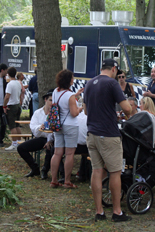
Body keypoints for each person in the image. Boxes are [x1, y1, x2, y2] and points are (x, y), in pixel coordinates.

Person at [84, 59, 132, 223]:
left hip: (91, 133)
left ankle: (99, 211)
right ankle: (117, 212)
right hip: (108, 134)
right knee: (115, 172)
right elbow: (126, 108)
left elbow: (85, 110)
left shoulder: (90, 83)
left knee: (97, 170)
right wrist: (127, 113)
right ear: (113, 69)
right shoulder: (112, 84)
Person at [50, 70, 84, 189]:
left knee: (57, 153)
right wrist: (80, 109)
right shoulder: (70, 96)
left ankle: (54, 180)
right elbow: (74, 113)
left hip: (58, 125)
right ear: (69, 80)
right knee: (69, 153)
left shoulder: (55, 91)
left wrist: (76, 94)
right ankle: (67, 181)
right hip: (70, 125)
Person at [17, 90, 54, 179]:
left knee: (50, 148)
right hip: (41, 138)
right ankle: (35, 168)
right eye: (50, 100)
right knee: (21, 148)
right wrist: (39, 127)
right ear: (45, 100)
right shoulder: (38, 112)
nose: (52, 103)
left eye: (54, 101)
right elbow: (33, 127)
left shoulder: (55, 113)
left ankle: (44, 171)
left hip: (53, 138)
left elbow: (57, 130)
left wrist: (49, 140)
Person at [3, 67, 23, 151]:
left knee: (12, 126)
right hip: (17, 104)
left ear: (8, 74)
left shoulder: (10, 84)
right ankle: (19, 142)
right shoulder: (18, 83)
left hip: (11, 105)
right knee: (17, 125)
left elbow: (7, 96)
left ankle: (14, 144)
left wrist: (4, 106)